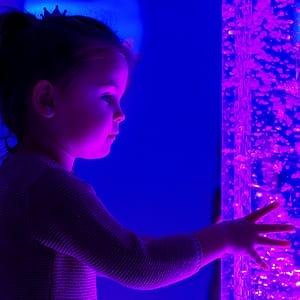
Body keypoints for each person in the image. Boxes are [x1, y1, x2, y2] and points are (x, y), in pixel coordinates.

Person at [0, 8, 296, 299]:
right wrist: (225, 238)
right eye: (106, 97)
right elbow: (139, 265)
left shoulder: (20, 178)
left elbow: (115, 251)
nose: (120, 114)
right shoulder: (48, 189)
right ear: (46, 99)